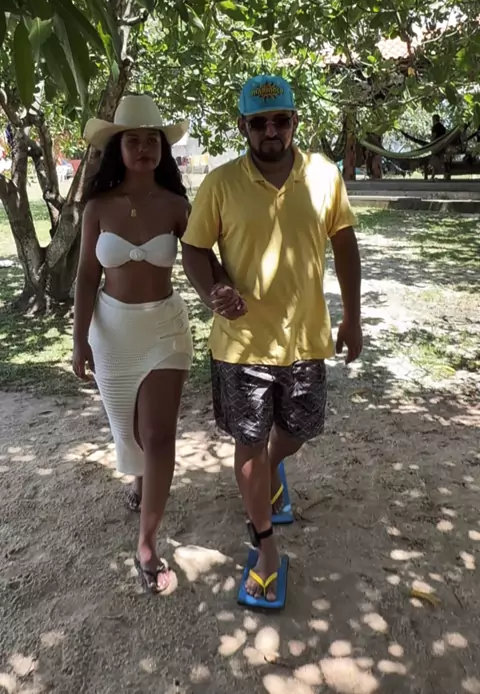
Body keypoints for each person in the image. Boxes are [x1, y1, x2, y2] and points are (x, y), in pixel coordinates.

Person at [182, 75, 362, 604]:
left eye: (280, 120)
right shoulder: (220, 184)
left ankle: (268, 470)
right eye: (258, 122)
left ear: (294, 122)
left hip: (305, 339)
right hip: (240, 345)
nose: (270, 131)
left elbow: (345, 246)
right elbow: (194, 249)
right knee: (248, 445)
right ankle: (264, 545)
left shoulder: (324, 175)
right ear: (243, 127)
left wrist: (352, 318)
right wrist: (213, 290)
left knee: (299, 431)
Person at [72, 94, 193, 595]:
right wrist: (79, 339)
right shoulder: (97, 208)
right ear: (118, 149)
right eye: (134, 140)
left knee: (159, 435)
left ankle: (146, 542)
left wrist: (225, 290)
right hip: (112, 332)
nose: (144, 148)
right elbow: (86, 276)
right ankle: (140, 480)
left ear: (162, 150)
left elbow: (201, 260)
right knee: (130, 433)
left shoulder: (178, 206)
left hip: (164, 327)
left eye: (152, 141)